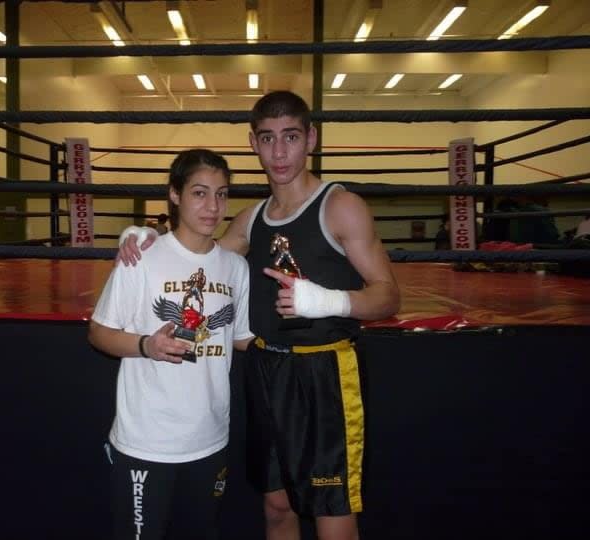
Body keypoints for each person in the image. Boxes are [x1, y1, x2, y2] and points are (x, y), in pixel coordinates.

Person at [118, 91, 400, 540]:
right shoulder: (251, 220)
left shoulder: (340, 206)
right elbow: (197, 254)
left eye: (290, 136)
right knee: (275, 504)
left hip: (325, 371)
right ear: (254, 143)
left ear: (311, 138)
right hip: (266, 369)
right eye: (268, 139)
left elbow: (387, 297)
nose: (280, 152)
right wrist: (146, 235)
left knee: (332, 511)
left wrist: (328, 301)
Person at [88, 148, 254, 540]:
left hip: (210, 438)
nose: (213, 206)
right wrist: (147, 345)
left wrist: (311, 318)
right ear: (175, 195)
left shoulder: (235, 268)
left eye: (222, 194)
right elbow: (98, 332)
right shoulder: (142, 257)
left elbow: (243, 339)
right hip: (147, 442)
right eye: (200, 193)